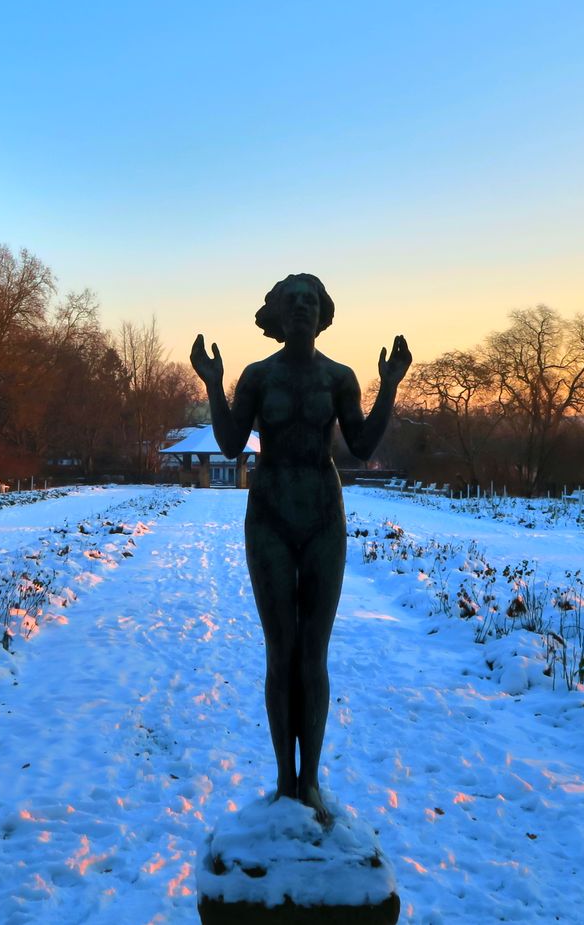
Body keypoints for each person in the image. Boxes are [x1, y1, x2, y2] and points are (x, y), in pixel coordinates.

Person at [190, 273, 410, 823]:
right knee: (280, 650)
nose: (302, 308)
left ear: (323, 313)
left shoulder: (339, 377)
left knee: (313, 653)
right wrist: (213, 384)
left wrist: (389, 387)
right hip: (269, 515)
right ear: (277, 314)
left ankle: (308, 781)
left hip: (322, 516)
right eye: (292, 301)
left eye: (311, 301)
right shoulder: (258, 376)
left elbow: (361, 445)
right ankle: (284, 781)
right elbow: (231, 444)